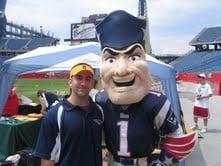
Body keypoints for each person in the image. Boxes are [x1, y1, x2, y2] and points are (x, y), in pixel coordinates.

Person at [95, 10, 197, 165]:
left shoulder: (156, 102)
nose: (122, 70)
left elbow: (178, 137)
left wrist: (163, 162)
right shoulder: (100, 99)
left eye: (133, 57)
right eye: (111, 59)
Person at [34, 63, 103, 166]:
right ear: (70, 82)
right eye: (79, 78)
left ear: (93, 84)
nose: (83, 83)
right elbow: (46, 157)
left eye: (88, 79)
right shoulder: (55, 114)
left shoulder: (99, 111)